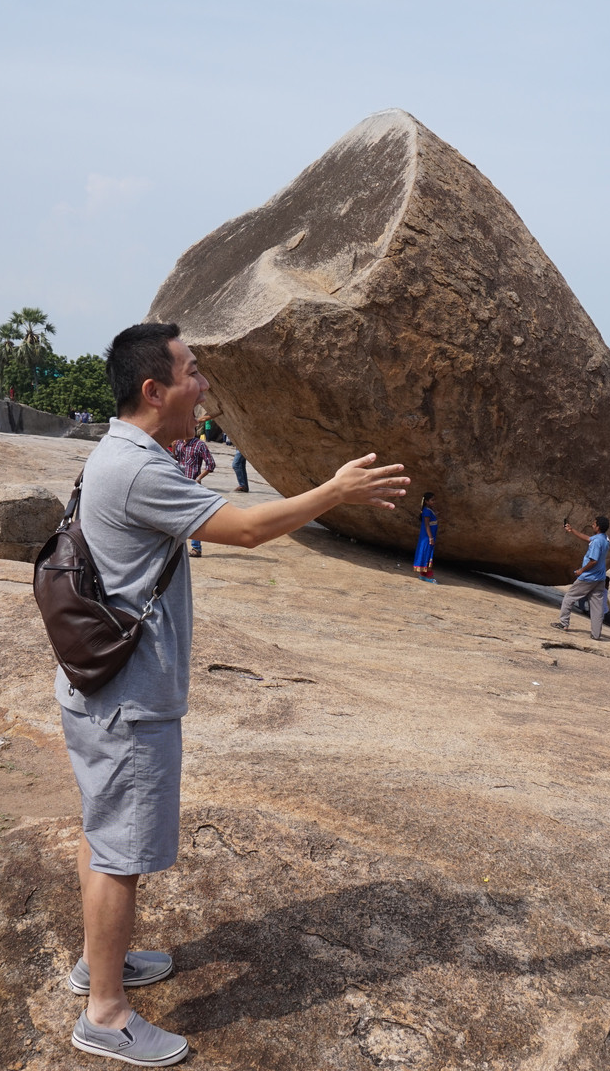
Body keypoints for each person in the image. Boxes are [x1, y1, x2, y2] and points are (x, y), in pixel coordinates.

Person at [55, 322, 406, 1066]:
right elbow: (244, 529)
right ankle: (105, 1014)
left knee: (103, 831)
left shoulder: (118, 452)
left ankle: (98, 963)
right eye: (192, 372)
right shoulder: (139, 469)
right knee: (120, 852)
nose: (204, 383)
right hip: (129, 700)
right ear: (155, 390)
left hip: (98, 688)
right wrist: (335, 491)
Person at [553, 516, 610, 640]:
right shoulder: (605, 539)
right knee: (597, 608)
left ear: (598, 527)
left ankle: (564, 623)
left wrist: (581, 570)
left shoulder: (597, 542)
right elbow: (588, 538)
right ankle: (596, 635)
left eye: (594, 524)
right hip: (600, 578)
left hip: (588, 577)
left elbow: (593, 560)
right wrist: (572, 530)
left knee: (569, 597)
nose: (592, 525)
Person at [169, 434, 216, 557]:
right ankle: (174, 546)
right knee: (176, 515)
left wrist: (199, 478)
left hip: (192, 485)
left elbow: (211, 464)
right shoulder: (178, 443)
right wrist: (173, 448)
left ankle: (196, 547)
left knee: (194, 516)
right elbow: (175, 461)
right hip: (178, 483)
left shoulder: (199, 445)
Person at [412, 492, 438, 583]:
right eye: (432, 500)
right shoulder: (426, 511)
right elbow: (427, 525)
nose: (434, 501)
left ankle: (423, 574)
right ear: (426, 501)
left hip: (430, 535)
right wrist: (430, 538)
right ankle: (429, 575)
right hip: (427, 536)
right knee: (427, 553)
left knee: (428, 552)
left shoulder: (430, 509)